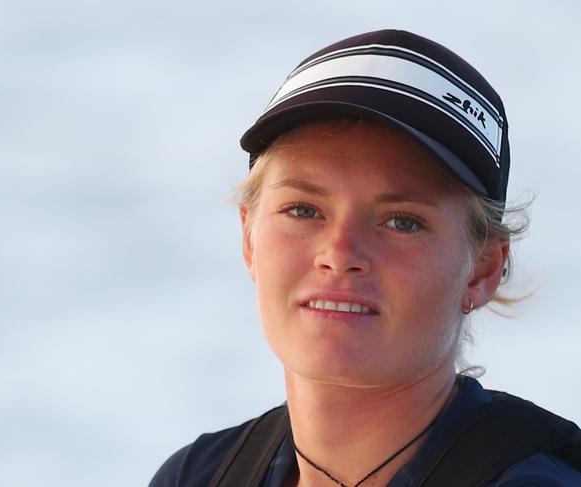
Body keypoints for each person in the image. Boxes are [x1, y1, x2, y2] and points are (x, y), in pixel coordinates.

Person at [149, 29, 581, 486]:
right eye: (303, 210)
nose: (339, 255)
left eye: (401, 221)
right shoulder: (199, 474)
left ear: (483, 269)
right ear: (249, 237)